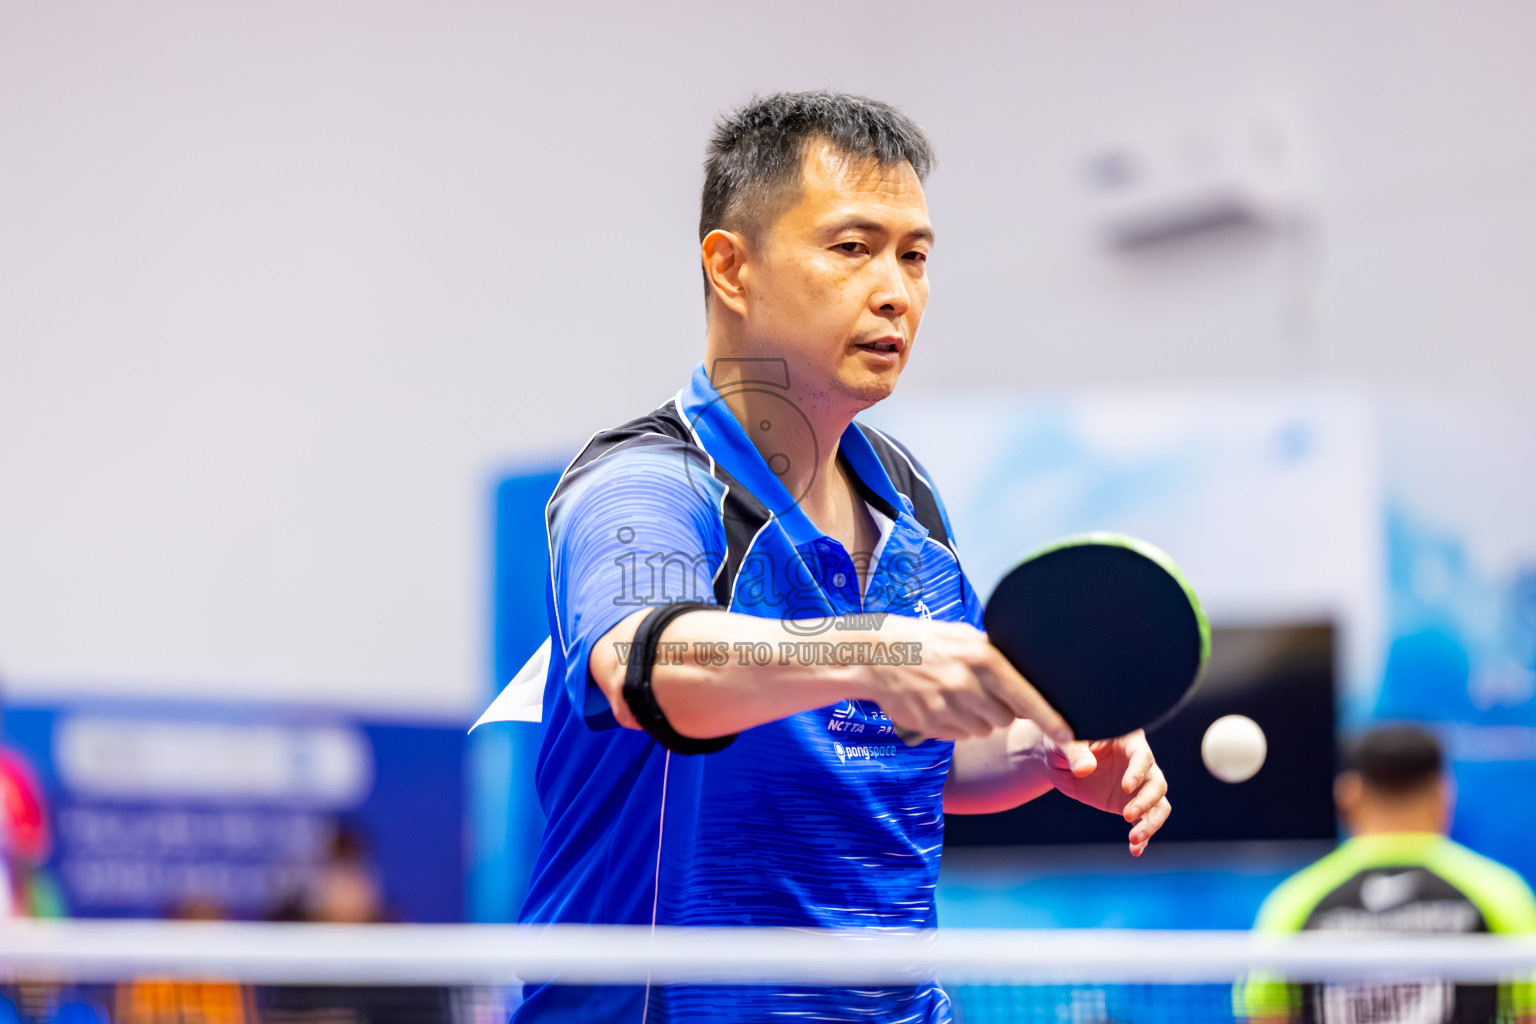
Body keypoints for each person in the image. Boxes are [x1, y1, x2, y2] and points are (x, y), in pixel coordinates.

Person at [513, 91, 1171, 1023]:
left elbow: (914, 752)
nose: (896, 290)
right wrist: (879, 648)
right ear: (731, 267)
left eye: (915, 256)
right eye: (852, 248)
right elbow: (642, 661)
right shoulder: (648, 485)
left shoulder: (909, 503)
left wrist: (1040, 751)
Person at [1240, 724, 1536, 1023]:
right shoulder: (1500, 894)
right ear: (1443, 795)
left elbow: (1267, 1017)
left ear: (1348, 796)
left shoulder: (1295, 902)